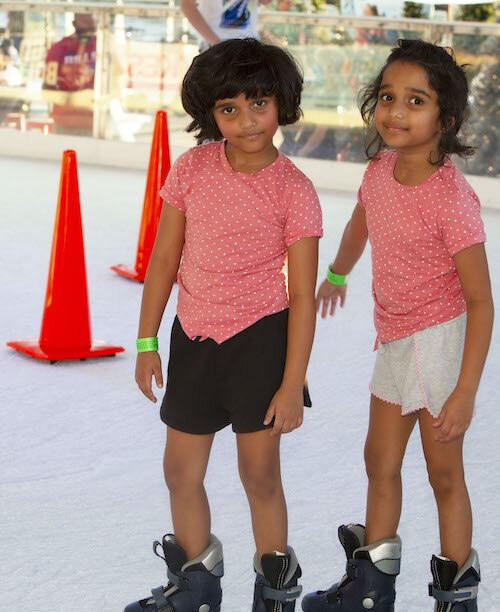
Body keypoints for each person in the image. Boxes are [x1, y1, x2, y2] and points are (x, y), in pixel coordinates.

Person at [124, 38, 323, 612]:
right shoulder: (190, 170)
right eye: (228, 108)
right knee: (179, 471)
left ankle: (276, 590)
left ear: (281, 104)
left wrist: (291, 385)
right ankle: (196, 584)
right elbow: (163, 260)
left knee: (259, 475)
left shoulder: (294, 190)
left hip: (260, 343)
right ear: (209, 113)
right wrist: (146, 340)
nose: (245, 120)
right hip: (194, 339)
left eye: (258, 103)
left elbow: (302, 298)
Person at [302, 39, 493, 612]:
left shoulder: (452, 199)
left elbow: (482, 302)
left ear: (446, 118)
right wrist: (336, 274)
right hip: (394, 337)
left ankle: (456, 593)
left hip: (438, 341)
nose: (395, 112)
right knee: (378, 460)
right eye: (387, 97)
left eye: (416, 101)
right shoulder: (381, 168)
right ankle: (372, 587)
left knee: (443, 474)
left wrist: (465, 392)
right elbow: (364, 219)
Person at [42, 13, 96, 135]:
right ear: (74, 24)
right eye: (84, 29)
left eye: (91, 30)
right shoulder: (59, 49)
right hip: (65, 123)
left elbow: (117, 79)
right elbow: (47, 90)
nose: (88, 36)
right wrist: (75, 99)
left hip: (94, 122)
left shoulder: (102, 46)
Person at [180, 0, 272, 50]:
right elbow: (187, 6)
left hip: (248, 44)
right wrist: (216, 43)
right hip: (215, 45)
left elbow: (265, 1)